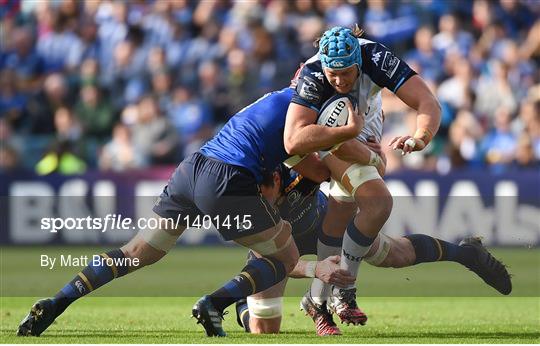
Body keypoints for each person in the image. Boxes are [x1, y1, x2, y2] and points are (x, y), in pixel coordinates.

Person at [17, 81, 364, 337]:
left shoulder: (275, 101)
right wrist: (355, 142)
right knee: (281, 257)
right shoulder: (303, 115)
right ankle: (215, 303)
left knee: (136, 252)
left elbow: (310, 166)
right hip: (227, 178)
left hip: (193, 166)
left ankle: (56, 302)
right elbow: (317, 166)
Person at [234, 162, 512, 336]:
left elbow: (345, 168)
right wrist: (314, 270)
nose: (260, 200)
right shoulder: (249, 210)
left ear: (277, 179)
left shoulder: (302, 170)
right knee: (264, 329)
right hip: (277, 254)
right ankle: (242, 305)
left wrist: (373, 159)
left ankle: (467, 254)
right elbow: (283, 263)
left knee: (395, 255)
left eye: (263, 191)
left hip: (327, 227)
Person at [283, 25, 442, 326]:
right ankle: (344, 288)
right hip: (326, 135)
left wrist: (420, 137)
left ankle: (316, 297)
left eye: (347, 72)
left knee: (341, 212)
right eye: (334, 74)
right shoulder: (314, 73)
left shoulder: (376, 57)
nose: (340, 80)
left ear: (359, 61)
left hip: (364, 126)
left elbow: (427, 102)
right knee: (378, 203)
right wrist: (348, 134)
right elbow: (292, 141)